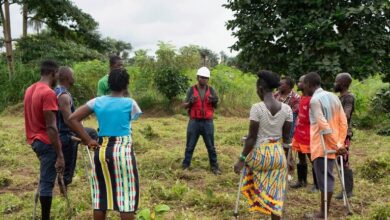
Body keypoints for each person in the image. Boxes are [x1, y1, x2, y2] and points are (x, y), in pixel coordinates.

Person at [68, 68, 142, 220]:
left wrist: (88, 140)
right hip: (123, 152)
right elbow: (132, 118)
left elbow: (72, 119)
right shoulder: (131, 103)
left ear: (108, 84)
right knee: (126, 198)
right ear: (126, 85)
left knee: (101, 197)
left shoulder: (96, 102)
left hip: (101, 150)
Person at [234, 70, 293, 219]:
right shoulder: (287, 109)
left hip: (260, 156)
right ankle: (273, 211)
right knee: (276, 192)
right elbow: (287, 139)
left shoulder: (257, 108)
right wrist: (289, 159)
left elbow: (252, 138)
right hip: (278, 156)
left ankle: (258, 200)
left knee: (248, 167)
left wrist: (241, 159)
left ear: (260, 87)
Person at [303, 72, 348, 219]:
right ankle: (324, 211)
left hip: (321, 145)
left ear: (310, 84)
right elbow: (343, 122)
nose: (303, 88)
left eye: (304, 85)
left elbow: (323, 124)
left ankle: (323, 213)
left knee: (325, 178)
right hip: (334, 144)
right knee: (327, 176)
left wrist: (336, 144)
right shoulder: (334, 97)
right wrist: (340, 143)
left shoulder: (315, 100)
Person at [24, 60, 64, 220]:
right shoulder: (48, 93)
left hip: (33, 140)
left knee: (45, 178)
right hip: (46, 143)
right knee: (47, 184)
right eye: (57, 75)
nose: (57, 79)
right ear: (53, 73)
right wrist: (60, 154)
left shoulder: (30, 89)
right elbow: (51, 127)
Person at [182, 67, 221, 175]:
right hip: (194, 121)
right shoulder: (191, 89)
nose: (203, 79)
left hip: (208, 122)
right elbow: (184, 105)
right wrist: (190, 102)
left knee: (211, 146)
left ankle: (214, 167)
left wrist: (215, 101)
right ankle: (185, 166)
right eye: (201, 77)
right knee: (190, 145)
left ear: (208, 79)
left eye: (205, 78)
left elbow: (216, 106)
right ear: (197, 77)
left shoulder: (211, 90)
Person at [290, 75, 319, 192]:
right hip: (299, 133)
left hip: (309, 134)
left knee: (312, 159)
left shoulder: (313, 99)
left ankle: (317, 184)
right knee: (301, 157)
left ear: (307, 84)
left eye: (300, 82)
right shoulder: (301, 97)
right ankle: (302, 181)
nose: (298, 83)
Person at [54, 67, 78, 190]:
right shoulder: (63, 95)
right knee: (66, 169)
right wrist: (81, 134)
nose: (74, 77)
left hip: (59, 133)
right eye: (73, 75)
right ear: (68, 78)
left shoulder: (56, 91)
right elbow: (68, 120)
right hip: (65, 136)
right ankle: (64, 191)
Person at [334, 72, 355, 199]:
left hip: (344, 133)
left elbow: (346, 115)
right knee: (339, 160)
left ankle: (348, 191)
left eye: (336, 81)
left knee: (344, 160)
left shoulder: (349, 97)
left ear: (342, 83)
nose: (334, 83)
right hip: (338, 133)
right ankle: (345, 189)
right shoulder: (339, 97)